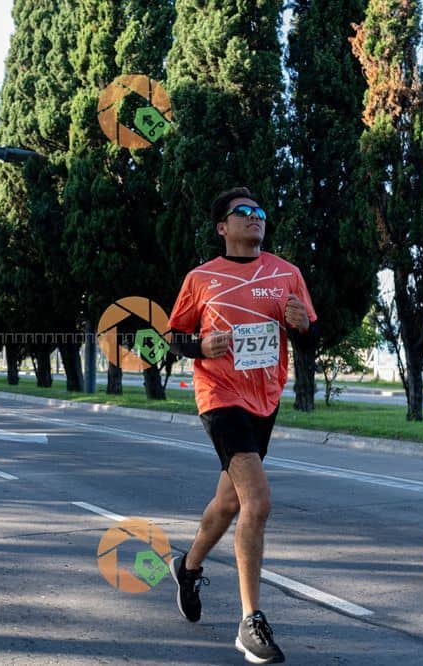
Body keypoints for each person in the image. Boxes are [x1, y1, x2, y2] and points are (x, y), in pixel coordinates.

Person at [167, 187, 317, 665]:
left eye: (259, 212)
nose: (255, 217)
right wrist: (200, 347)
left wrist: (302, 326)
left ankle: (188, 567)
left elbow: (309, 340)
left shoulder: (287, 274)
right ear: (222, 227)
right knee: (258, 501)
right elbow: (173, 336)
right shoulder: (201, 278)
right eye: (243, 212)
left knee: (229, 501)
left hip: (264, 400)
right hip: (219, 397)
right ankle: (250, 621)